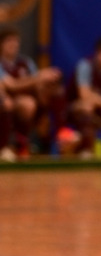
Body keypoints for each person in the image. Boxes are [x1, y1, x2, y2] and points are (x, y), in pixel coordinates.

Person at [0, 26, 64, 160]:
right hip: (7, 101)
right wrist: (39, 77)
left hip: (29, 100)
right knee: (25, 104)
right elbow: (10, 85)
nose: (14, 44)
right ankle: (10, 145)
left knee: (55, 93)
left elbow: (38, 83)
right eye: (9, 41)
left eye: (16, 41)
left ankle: (56, 139)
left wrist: (50, 81)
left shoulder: (26, 62)